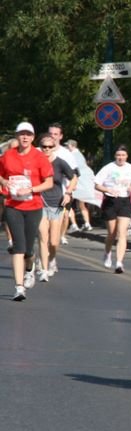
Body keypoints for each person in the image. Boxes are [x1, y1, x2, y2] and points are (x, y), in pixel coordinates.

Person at [0, 122, 54, 301]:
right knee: (18, 247)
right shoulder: (8, 155)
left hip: (33, 207)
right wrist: (4, 182)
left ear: (32, 137)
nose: (25, 137)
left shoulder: (39, 157)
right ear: (17, 136)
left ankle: (29, 268)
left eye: (28, 135)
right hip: (13, 205)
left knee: (29, 249)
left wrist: (31, 190)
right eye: (21, 134)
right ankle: (19, 287)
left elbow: (49, 182)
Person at [37, 134, 77, 282]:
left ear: (54, 147)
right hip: (39, 203)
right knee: (43, 237)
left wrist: (68, 193)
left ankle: (52, 259)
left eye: (50, 146)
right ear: (40, 147)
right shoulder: (37, 161)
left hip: (57, 204)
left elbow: (73, 177)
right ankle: (44, 269)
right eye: (44, 146)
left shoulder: (60, 163)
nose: (47, 149)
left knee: (54, 241)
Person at [94, 145, 131, 273]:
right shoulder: (108, 168)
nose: (120, 158)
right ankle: (107, 253)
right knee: (112, 234)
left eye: (123, 155)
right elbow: (97, 184)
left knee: (122, 233)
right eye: (118, 155)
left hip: (125, 201)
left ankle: (119, 263)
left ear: (126, 156)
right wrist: (108, 189)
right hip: (110, 201)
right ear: (115, 156)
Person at [66, 139, 94, 231]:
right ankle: (87, 223)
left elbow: (72, 169)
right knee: (82, 204)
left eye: (68, 146)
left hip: (75, 182)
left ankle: (74, 224)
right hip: (83, 183)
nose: (67, 147)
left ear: (72, 146)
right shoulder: (81, 156)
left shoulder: (72, 155)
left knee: (68, 204)